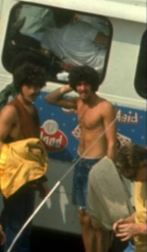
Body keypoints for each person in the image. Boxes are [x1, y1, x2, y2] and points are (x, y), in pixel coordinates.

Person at [45, 66, 117, 252]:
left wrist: (108, 171)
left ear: (94, 85)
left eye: (86, 85)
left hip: (97, 165)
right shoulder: (78, 102)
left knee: (97, 222)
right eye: (79, 84)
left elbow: (111, 142)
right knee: (83, 217)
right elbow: (49, 99)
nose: (83, 89)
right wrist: (70, 85)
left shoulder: (105, 107)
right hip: (79, 162)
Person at [0, 62, 48, 252]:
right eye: (28, 86)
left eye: (37, 86)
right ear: (20, 85)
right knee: (16, 224)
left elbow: (34, 149)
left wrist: (40, 178)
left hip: (29, 177)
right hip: (14, 175)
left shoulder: (32, 109)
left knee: (23, 223)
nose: (33, 90)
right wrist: (17, 160)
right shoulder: (11, 110)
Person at [112, 144, 146, 252]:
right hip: (136, 246)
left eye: (132, 176)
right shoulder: (140, 180)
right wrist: (127, 221)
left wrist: (141, 229)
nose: (132, 181)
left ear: (144, 164)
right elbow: (142, 213)